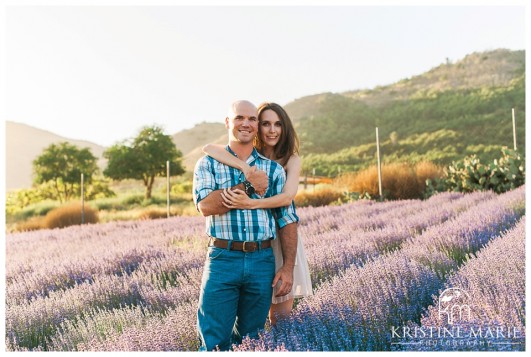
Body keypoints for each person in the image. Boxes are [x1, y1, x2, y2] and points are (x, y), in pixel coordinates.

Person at [193, 100, 299, 351]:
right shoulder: (208, 164)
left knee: (252, 342)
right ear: (228, 122)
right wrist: (249, 184)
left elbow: (287, 218)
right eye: (240, 117)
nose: (246, 123)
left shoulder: (273, 169)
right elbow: (206, 206)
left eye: (252, 119)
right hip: (222, 258)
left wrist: (288, 267)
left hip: (261, 260)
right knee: (213, 341)